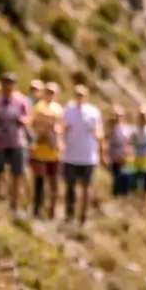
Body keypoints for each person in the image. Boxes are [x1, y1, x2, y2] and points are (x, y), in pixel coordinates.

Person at [0, 73, 32, 214]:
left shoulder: (22, 101)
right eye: (5, 82)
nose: (8, 86)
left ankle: (14, 205)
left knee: (17, 174)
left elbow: (29, 117)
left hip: (17, 140)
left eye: (11, 83)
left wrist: (23, 120)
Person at [60, 85, 103, 226]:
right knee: (70, 186)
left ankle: (83, 216)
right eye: (77, 94)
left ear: (87, 96)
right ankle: (69, 214)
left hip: (88, 156)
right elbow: (63, 128)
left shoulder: (93, 112)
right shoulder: (69, 110)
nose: (79, 97)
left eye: (82, 95)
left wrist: (96, 136)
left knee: (86, 187)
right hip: (71, 154)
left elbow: (100, 133)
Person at [29, 82, 64, 219]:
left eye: (52, 92)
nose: (50, 94)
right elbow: (33, 125)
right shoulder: (38, 107)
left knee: (54, 183)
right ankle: (37, 210)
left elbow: (61, 128)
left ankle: (52, 212)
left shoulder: (59, 109)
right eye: (48, 91)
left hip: (53, 152)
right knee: (39, 182)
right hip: (40, 149)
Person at [106, 105, 135, 198]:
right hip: (114, 156)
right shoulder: (111, 128)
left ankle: (124, 195)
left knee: (124, 177)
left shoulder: (127, 128)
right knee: (116, 177)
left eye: (120, 115)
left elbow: (130, 142)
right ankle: (116, 195)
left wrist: (128, 152)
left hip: (124, 156)